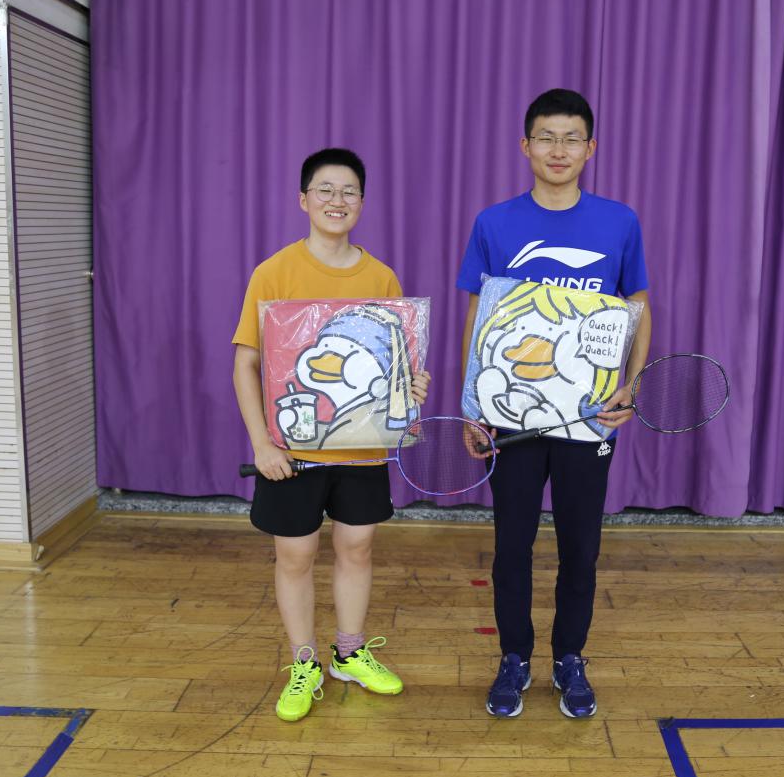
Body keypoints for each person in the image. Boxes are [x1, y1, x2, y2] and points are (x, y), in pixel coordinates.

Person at [456, 89, 652, 718]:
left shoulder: (619, 222)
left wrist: (631, 384)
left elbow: (637, 307)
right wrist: (472, 402)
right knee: (511, 544)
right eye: (546, 137)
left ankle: (570, 657)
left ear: (590, 148)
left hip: (587, 418)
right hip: (510, 417)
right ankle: (514, 657)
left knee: (580, 548)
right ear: (526, 146)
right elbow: (478, 316)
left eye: (571, 138)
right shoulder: (494, 223)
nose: (558, 149)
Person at [232, 147, 430, 723]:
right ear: (303, 199)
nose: (336, 200)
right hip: (291, 453)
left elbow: (398, 365)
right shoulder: (273, 272)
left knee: (357, 547)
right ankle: (304, 662)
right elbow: (245, 364)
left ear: (362, 203)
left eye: (348, 192)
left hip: (363, 450)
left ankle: (348, 652)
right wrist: (261, 444)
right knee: (295, 554)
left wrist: (412, 385)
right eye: (325, 189)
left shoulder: (381, 277)